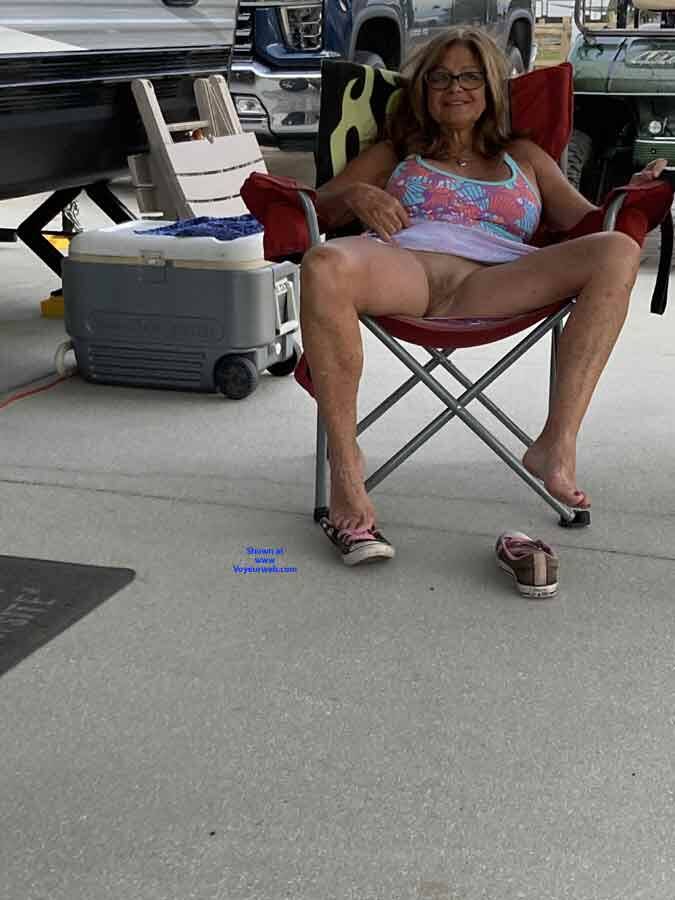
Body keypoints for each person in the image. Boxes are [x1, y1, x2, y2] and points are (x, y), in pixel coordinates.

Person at [299, 26, 666, 565]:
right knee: (324, 264)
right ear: (423, 90)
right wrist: (356, 192)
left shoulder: (526, 156)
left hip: (496, 280)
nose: (456, 88)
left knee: (616, 251)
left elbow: (588, 222)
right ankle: (346, 469)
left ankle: (556, 443)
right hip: (408, 270)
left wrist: (636, 190)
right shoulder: (396, 153)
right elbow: (321, 205)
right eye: (441, 77)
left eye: (470, 76)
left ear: (492, 87)